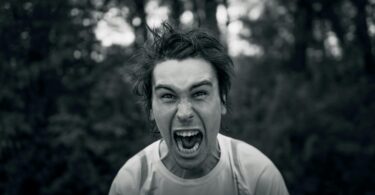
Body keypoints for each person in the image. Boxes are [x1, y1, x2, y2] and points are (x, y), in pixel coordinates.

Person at [108, 23, 289, 195]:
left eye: (200, 93)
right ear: (151, 109)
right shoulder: (130, 184)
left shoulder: (258, 177)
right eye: (168, 96)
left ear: (222, 101)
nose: (184, 113)